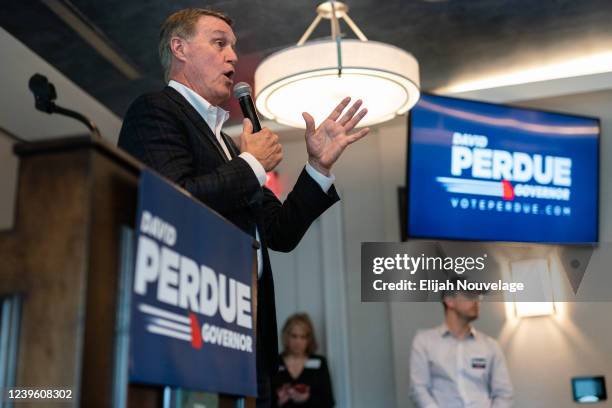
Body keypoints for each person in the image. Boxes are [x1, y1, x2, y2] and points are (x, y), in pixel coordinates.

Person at [117, 8, 369, 407]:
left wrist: (318, 166)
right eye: (220, 43)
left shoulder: (230, 146)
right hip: (193, 330)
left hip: (249, 335)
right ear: (179, 48)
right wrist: (252, 165)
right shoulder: (156, 111)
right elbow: (173, 201)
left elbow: (279, 232)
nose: (234, 56)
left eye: (233, 46)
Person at [409, 277, 514, 407]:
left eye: (479, 296)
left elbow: (503, 393)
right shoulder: (425, 341)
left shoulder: (490, 346)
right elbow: (419, 389)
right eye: (470, 295)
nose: (477, 301)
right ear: (449, 300)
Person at [272, 313, 335, 408]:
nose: (298, 341)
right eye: (294, 336)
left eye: (303, 337)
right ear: (286, 336)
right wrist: (279, 400)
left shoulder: (319, 362)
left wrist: (307, 397)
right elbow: (263, 400)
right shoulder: (275, 362)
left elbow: (329, 402)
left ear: (309, 339)